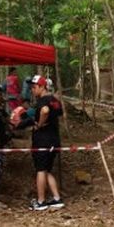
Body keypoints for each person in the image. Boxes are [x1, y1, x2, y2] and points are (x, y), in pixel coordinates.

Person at [28, 75, 64, 211]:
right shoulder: (54, 100)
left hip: (43, 141)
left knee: (41, 170)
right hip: (54, 140)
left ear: (42, 87)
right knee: (47, 170)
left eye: (34, 87)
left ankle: (41, 201)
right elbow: (58, 112)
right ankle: (56, 198)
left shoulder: (42, 101)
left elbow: (45, 110)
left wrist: (39, 125)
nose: (32, 90)